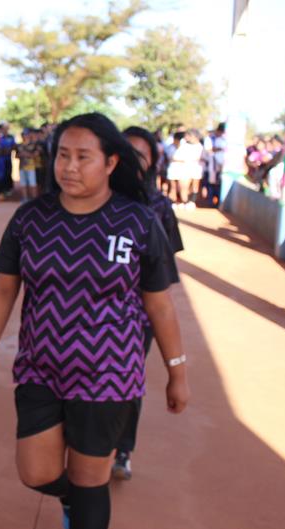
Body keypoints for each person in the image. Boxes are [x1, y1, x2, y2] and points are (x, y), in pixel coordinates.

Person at [0, 113, 190, 529]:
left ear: (110, 164)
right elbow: (3, 290)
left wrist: (177, 372)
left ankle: (85, 504)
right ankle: (77, 499)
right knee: (35, 472)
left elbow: (160, 306)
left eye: (83, 157)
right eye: (63, 156)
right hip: (40, 366)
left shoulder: (138, 222)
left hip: (108, 373)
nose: (69, 167)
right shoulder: (31, 218)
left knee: (91, 481)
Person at [113, 126, 184, 481]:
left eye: (141, 155)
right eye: (127, 152)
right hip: (92, 313)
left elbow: (165, 275)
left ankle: (122, 449)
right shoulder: (97, 198)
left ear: (153, 162)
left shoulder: (159, 207)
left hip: (137, 318)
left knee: (127, 382)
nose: (133, 161)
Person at [16, 128, 40, 202]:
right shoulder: (19, 145)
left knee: (33, 183)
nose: (24, 136)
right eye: (23, 135)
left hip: (31, 167)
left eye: (26, 135)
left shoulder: (34, 145)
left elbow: (36, 154)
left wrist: (27, 154)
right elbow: (16, 155)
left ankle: (34, 199)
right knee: (23, 184)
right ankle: (25, 199)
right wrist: (20, 155)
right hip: (22, 167)